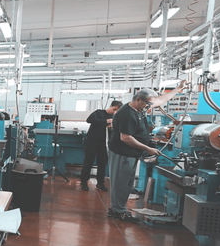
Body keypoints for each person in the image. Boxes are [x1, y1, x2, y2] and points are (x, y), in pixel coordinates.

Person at [107, 83, 187, 221]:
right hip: (122, 153)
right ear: (138, 99)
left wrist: (178, 89)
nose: (149, 107)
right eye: (148, 104)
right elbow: (126, 138)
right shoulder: (127, 114)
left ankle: (119, 208)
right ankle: (117, 211)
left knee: (127, 183)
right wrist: (147, 148)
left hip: (131, 153)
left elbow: (160, 100)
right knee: (120, 183)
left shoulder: (140, 108)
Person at [80, 100, 122, 192]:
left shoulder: (114, 117)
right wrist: (106, 121)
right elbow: (89, 120)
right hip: (92, 142)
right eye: (114, 109)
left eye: (117, 111)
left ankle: (100, 183)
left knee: (102, 164)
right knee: (88, 162)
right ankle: (83, 182)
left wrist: (112, 127)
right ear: (111, 106)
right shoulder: (98, 113)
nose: (114, 112)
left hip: (104, 144)